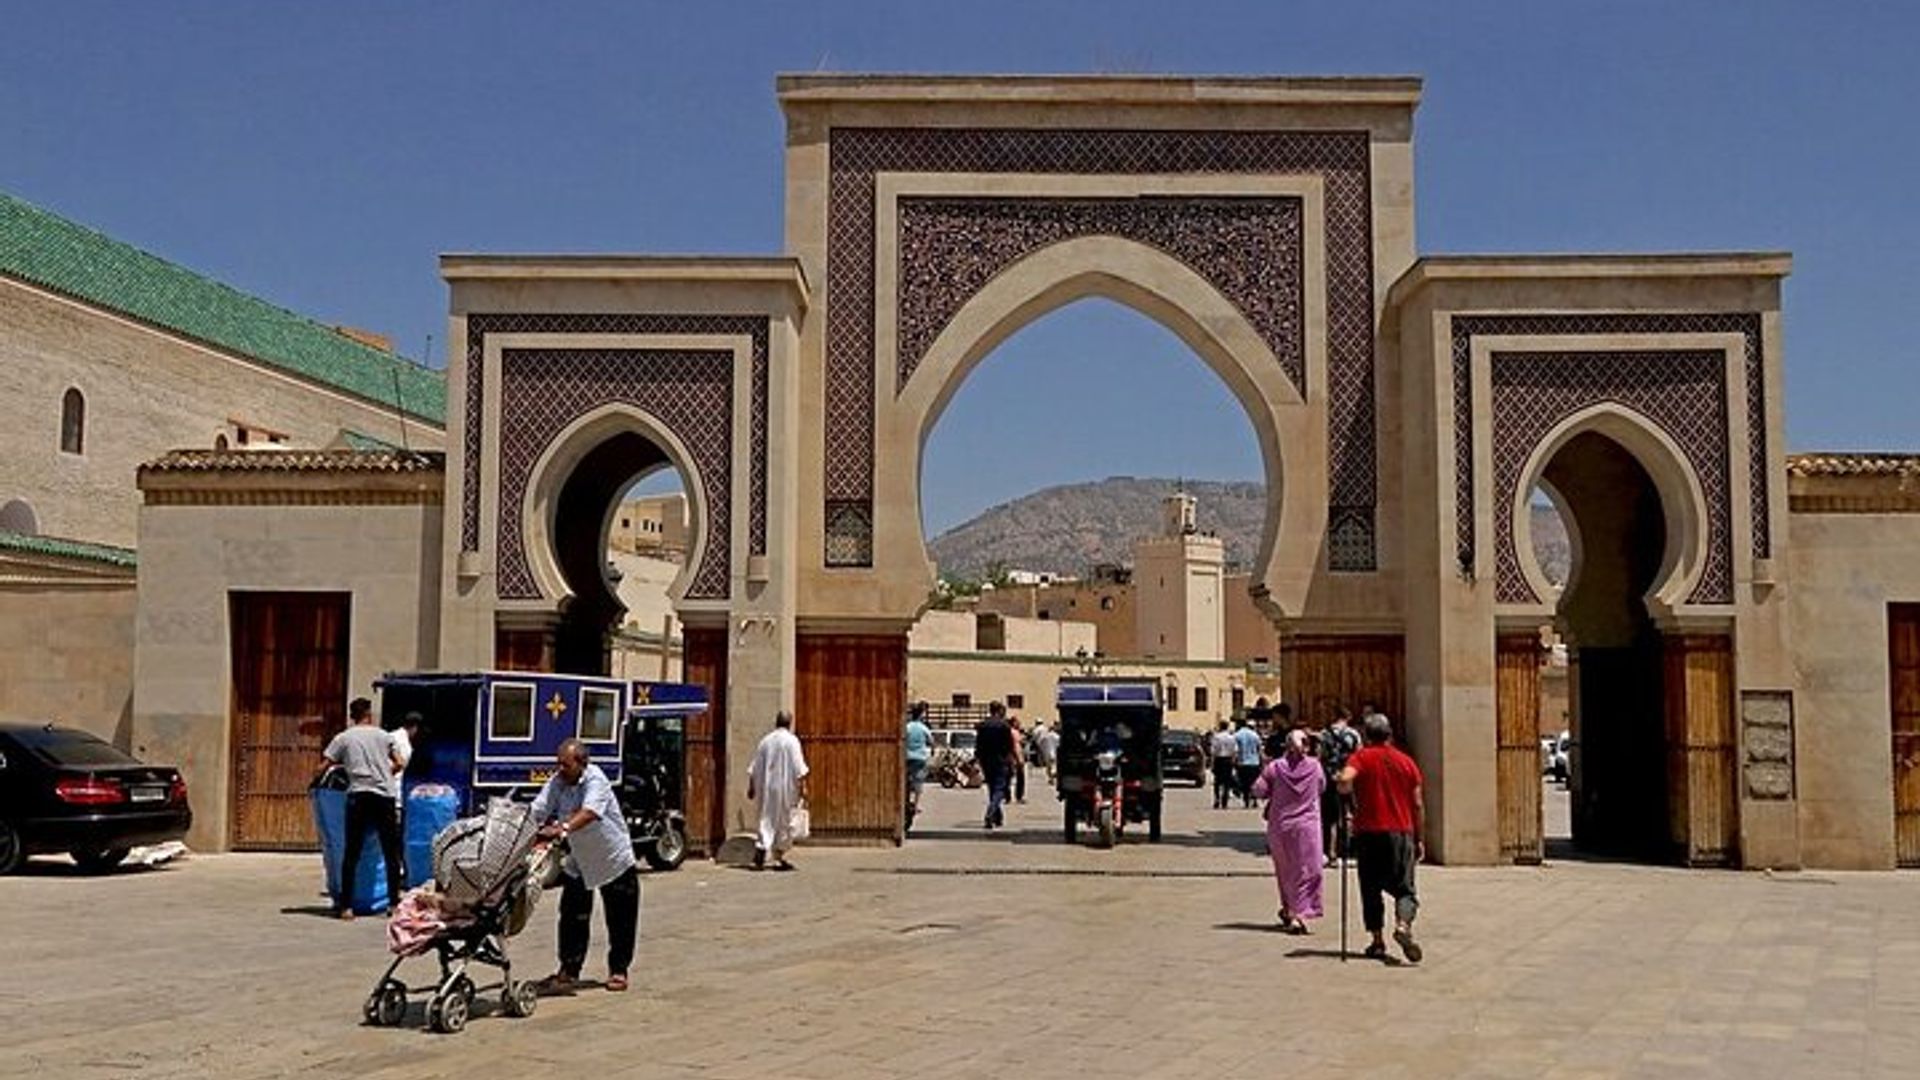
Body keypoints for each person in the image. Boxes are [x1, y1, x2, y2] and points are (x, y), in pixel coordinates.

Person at [531, 739, 640, 993]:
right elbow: (539, 808)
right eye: (557, 763)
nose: (560, 769)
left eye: (565, 764)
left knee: (620, 918)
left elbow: (590, 812)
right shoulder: (558, 781)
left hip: (611, 858)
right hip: (579, 860)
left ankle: (618, 970)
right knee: (572, 915)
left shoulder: (596, 779)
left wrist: (562, 828)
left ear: (582, 764)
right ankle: (568, 970)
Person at [1337, 714, 1426, 963]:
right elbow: (1417, 804)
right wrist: (1420, 837)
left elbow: (1346, 779)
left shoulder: (1362, 757)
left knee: (1370, 888)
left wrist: (1342, 786)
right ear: (1390, 735)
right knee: (1405, 888)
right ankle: (1403, 925)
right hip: (1401, 832)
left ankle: (1377, 941)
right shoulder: (1407, 762)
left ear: (1366, 735)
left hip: (1368, 833)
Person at [318, 697, 404, 920]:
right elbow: (401, 762)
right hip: (384, 796)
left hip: (358, 795)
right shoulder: (384, 736)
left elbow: (324, 765)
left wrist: (315, 781)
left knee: (351, 853)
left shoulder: (343, 738)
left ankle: (347, 907)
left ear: (351, 716)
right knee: (390, 852)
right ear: (369, 714)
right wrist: (386, 774)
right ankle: (394, 904)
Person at [1253, 729, 1326, 933]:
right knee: (1308, 870)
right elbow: (1322, 787)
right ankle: (1300, 913)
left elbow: (1258, 790)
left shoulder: (1275, 767)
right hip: (1308, 827)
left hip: (1281, 827)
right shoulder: (1315, 766)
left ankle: (1290, 909)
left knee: (1285, 871)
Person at [747, 712, 810, 870]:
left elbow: (755, 766)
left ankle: (761, 852)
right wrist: (803, 786)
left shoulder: (765, 741)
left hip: (767, 787)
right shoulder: (792, 741)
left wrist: (752, 786)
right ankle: (778, 856)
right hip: (785, 788)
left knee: (766, 817)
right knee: (784, 821)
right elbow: (799, 767)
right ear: (790, 723)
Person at [1318, 706, 1361, 866]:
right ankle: (1350, 850)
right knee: (1351, 812)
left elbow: (1320, 756)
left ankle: (1331, 852)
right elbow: (1359, 754)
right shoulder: (1353, 734)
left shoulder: (1324, 734)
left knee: (1330, 818)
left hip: (1330, 779)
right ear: (1348, 718)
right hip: (1349, 775)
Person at [974, 702, 1016, 829]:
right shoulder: (1004, 725)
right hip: (1000, 760)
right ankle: (990, 813)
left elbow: (978, 745)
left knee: (992, 788)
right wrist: (1012, 760)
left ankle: (998, 817)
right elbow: (1009, 745)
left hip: (986, 760)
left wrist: (978, 759)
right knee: (1000, 789)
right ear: (999, 711)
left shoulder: (983, 725)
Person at [904, 702, 933, 830]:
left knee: (906, 782)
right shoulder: (923, 728)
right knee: (918, 783)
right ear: (921, 715)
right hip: (920, 758)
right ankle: (915, 805)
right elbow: (931, 741)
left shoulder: (907, 727)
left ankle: (905, 802)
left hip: (907, 757)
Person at [1233, 716, 1263, 809]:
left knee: (1244, 783)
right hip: (1254, 762)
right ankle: (1254, 800)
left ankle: (1246, 800)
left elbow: (1236, 750)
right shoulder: (1255, 735)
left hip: (1242, 763)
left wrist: (1234, 762)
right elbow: (1259, 749)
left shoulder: (1237, 735)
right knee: (1253, 782)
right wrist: (1261, 761)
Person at [1208, 720, 1238, 810]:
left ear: (1220, 727)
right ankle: (1225, 801)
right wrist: (1233, 762)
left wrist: (1212, 764)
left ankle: (1217, 799)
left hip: (1219, 760)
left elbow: (1213, 751)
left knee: (1217, 781)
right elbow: (1235, 751)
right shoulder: (1231, 737)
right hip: (1228, 760)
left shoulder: (1216, 737)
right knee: (1227, 782)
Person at [1035, 720, 1060, 784]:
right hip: (1054, 753)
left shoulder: (1046, 737)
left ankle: (1051, 778)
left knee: (1049, 767)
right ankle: (1053, 777)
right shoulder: (1056, 736)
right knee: (1053, 766)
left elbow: (1040, 742)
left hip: (1047, 753)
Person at [1009, 716, 1027, 805]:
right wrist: (1020, 759)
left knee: (1009, 777)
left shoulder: (1009, 731)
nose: (1019, 724)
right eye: (1018, 722)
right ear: (1014, 723)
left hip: (1011, 757)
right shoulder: (1014, 732)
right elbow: (1016, 747)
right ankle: (1019, 796)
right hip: (1017, 757)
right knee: (1020, 778)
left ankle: (1007, 796)